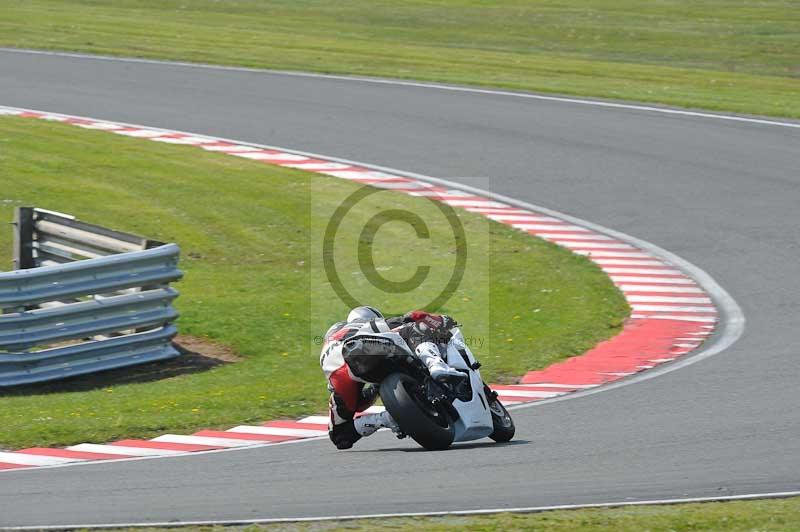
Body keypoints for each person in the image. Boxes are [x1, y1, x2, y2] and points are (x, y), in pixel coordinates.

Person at [319, 306, 464, 449]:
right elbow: (410, 317)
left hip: (338, 375)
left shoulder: (333, 336)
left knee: (340, 435)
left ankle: (383, 419)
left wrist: (376, 388)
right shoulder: (366, 325)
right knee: (413, 328)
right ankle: (435, 364)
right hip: (361, 347)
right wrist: (442, 320)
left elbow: (358, 405)